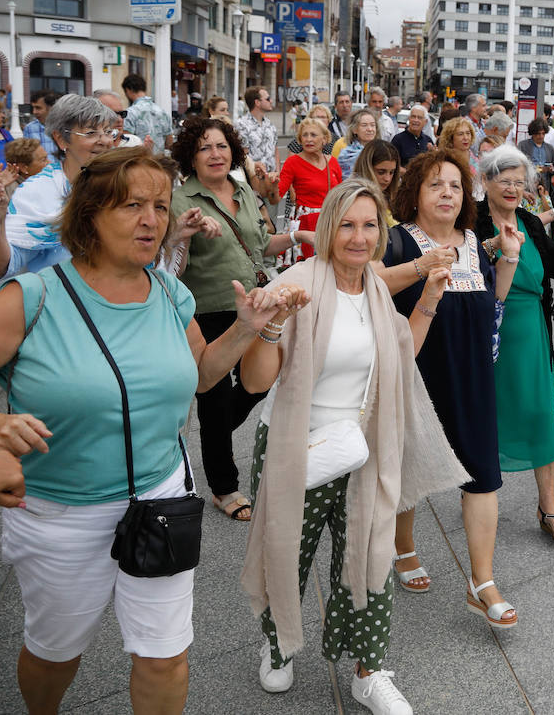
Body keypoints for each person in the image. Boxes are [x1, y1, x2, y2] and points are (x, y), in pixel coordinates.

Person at [0, 147, 289, 715]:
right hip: (59, 513)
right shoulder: (32, 296)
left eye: (162, 207)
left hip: (161, 500)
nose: (152, 220)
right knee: (55, 653)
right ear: (90, 214)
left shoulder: (171, 293)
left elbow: (200, 375)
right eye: (132, 206)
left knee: (165, 655)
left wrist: (246, 330)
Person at [238, 179, 467, 712]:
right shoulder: (298, 282)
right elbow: (253, 383)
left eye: (370, 225)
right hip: (298, 445)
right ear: (328, 228)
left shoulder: (377, 289)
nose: (359, 238)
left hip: (363, 445)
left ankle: (369, 669)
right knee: (286, 554)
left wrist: (429, 300)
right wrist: (270, 327)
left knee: (371, 553)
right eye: (348, 224)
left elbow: (399, 357)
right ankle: (279, 646)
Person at [380, 149, 523, 628]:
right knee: (408, 469)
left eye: (456, 186)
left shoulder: (474, 243)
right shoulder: (399, 242)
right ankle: (403, 547)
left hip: (474, 377)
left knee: (483, 476)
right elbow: (368, 283)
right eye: (435, 184)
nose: (447, 193)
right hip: (416, 376)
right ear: (414, 193)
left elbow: (492, 305)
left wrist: (509, 259)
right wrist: (422, 269)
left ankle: (481, 581)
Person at [168, 117, 312, 521]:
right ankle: (224, 486)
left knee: (258, 384)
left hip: (255, 304)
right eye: (204, 148)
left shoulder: (244, 189)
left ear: (232, 150)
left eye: (221, 146)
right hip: (206, 309)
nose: (215, 154)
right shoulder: (181, 201)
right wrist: (180, 235)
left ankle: (214, 438)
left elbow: (261, 244)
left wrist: (298, 237)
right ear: (190, 158)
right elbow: (170, 267)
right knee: (213, 399)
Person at [476, 146, 554, 543]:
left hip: (532, 331)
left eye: (519, 182)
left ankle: (548, 506)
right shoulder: (471, 222)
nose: (512, 188)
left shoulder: (529, 222)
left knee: (540, 413)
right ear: (485, 181)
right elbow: (466, 269)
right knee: (487, 416)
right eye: (503, 180)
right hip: (487, 331)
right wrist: (496, 248)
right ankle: (477, 491)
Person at [0, 94, 121, 283]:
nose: (104, 140)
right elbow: (0, 268)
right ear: (61, 139)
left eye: (107, 132)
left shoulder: (121, 185)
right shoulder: (38, 192)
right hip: (59, 303)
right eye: (91, 133)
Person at [278, 118, 342, 261]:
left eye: (313, 135)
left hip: (330, 222)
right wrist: (267, 182)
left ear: (325, 139)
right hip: (305, 226)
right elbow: (277, 195)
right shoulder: (293, 162)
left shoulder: (332, 162)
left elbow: (340, 196)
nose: (308, 139)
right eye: (304, 135)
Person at [122, 74, 174, 155]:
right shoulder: (163, 112)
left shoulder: (130, 113)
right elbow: (169, 143)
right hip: (159, 162)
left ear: (128, 90)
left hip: (139, 161)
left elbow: (126, 143)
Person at [352, 139, 401, 225]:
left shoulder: (393, 195)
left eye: (391, 172)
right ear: (367, 168)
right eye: (381, 172)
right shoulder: (355, 198)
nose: (387, 179)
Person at [235, 86, 280, 171]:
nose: (271, 101)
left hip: (272, 178)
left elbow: (275, 150)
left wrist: (278, 172)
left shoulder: (270, 124)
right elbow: (243, 155)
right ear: (257, 102)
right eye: (268, 99)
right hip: (254, 178)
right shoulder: (242, 125)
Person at [332, 109, 378, 178]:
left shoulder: (381, 150)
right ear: (354, 129)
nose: (370, 129)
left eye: (372, 125)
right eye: (364, 125)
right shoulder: (347, 155)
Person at [517, 119, 554, 194]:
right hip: (528, 185)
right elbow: (518, 164)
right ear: (532, 133)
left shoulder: (549, 148)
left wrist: (552, 169)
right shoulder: (523, 145)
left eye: (543, 133)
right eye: (538, 134)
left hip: (544, 187)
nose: (541, 136)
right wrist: (537, 169)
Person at [23, 89, 60, 164]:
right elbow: (27, 157)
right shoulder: (29, 128)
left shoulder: (64, 127)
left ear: (51, 108)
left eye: (38, 108)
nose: (34, 112)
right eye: (33, 108)